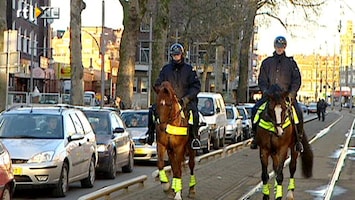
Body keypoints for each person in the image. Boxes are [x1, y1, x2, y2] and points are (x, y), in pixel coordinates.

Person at [250, 36, 304, 152]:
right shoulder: (267, 62)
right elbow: (262, 80)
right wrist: (265, 91)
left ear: (285, 47)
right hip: (270, 97)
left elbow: (296, 80)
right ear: (275, 47)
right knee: (255, 109)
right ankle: (255, 137)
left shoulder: (291, 63)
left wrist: (291, 94)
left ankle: (298, 140)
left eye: (282, 46)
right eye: (278, 46)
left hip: (286, 97)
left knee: (298, 112)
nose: (280, 49)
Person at [154, 43, 202, 150]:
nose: (176, 57)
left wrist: (187, 98)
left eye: (178, 55)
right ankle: (151, 135)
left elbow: (196, 86)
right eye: (174, 55)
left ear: (182, 55)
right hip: (169, 102)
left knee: (195, 114)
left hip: (185, 101)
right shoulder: (165, 69)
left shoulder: (189, 70)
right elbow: (158, 83)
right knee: (152, 111)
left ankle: (194, 138)